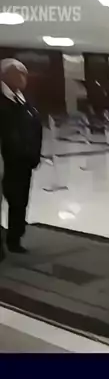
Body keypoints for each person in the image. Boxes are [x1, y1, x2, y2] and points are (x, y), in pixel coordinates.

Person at [0, 59, 43, 254]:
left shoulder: (25, 101)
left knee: (19, 202)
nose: (23, 78)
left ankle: (15, 238)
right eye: (18, 73)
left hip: (23, 162)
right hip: (5, 161)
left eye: (24, 74)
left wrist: (34, 154)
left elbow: (36, 128)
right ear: (5, 75)